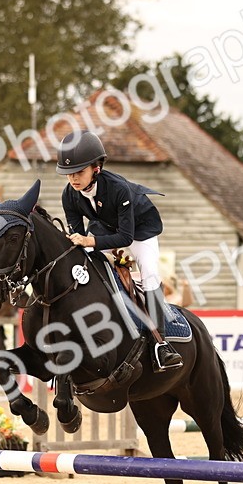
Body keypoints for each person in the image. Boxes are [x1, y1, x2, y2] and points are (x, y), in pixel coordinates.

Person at [56, 130, 183, 372]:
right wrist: (80, 243)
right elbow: (78, 236)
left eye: (79, 172)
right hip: (104, 228)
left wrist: (89, 241)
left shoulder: (119, 189)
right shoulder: (69, 195)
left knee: (149, 273)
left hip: (139, 231)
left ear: (96, 168)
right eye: (69, 174)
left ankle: (161, 345)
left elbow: (125, 237)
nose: (73, 179)